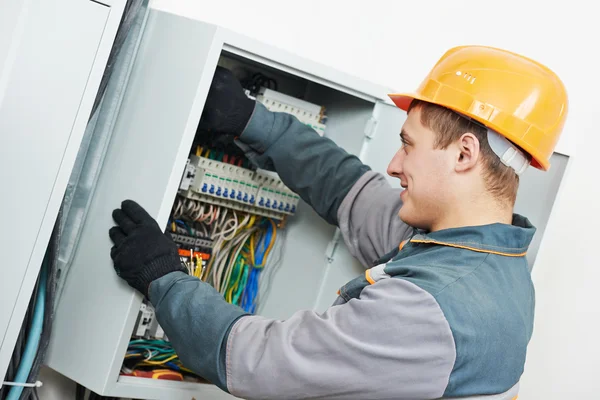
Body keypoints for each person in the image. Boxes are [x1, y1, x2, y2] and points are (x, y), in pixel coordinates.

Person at [108, 45, 568, 399]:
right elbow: (350, 191)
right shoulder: (488, 264)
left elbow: (258, 362)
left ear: (464, 154)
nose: (393, 163)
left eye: (408, 144)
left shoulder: (433, 308)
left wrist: (163, 278)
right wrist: (254, 121)